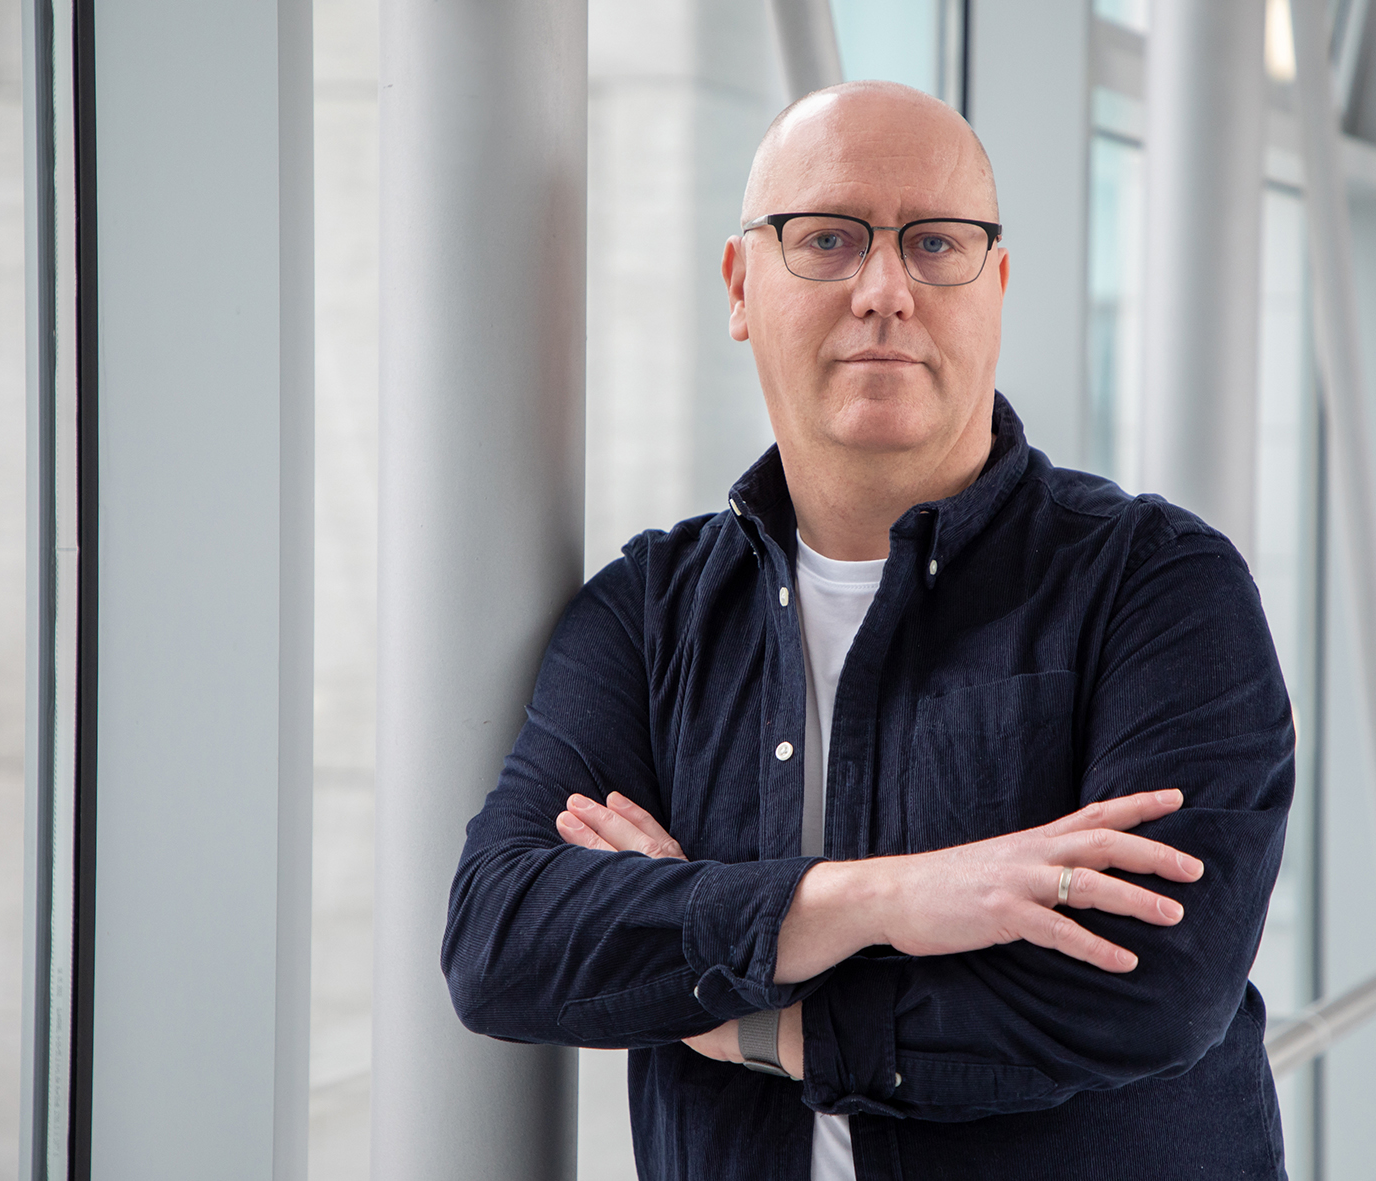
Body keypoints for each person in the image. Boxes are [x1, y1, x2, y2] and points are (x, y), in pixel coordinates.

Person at [443, 80, 1294, 1179]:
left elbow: (1149, 983)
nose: (885, 290)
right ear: (740, 283)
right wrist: (886, 896)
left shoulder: (1156, 585)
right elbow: (503, 937)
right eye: (828, 239)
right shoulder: (648, 615)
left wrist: (737, 1001)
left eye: (934, 243)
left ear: (995, 287)